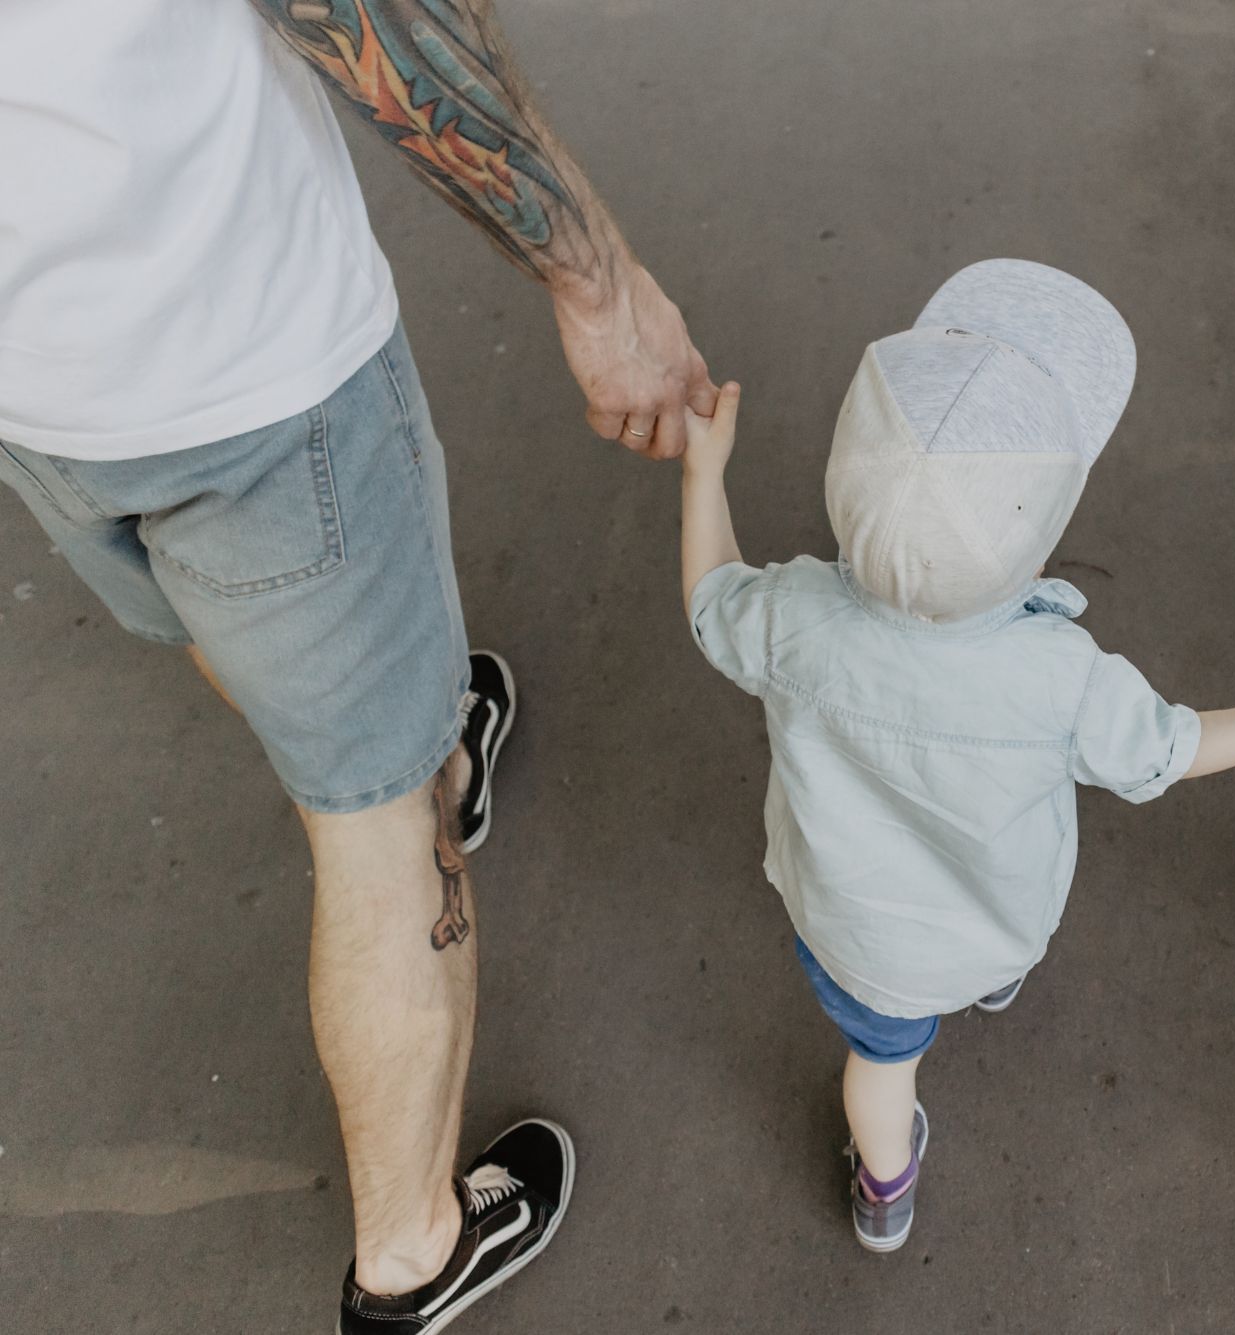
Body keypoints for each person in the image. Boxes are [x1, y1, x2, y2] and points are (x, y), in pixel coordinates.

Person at [0, 2, 715, 1329]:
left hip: (30, 399)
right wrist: (599, 284)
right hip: (242, 372)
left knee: (237, 633)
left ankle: (424, 741)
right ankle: (412, 1250)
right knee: (382, 836)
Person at [675, 259, 1235, 1252]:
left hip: (853, 935)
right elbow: (1174, 749)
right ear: (1043, 531)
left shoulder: (795, 619)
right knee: (986, 953)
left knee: (880, 1069)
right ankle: (989, 981)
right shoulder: (1061, 677)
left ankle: (885, 1190)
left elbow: (711, 603)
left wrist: (703, 473)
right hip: (996, 920)